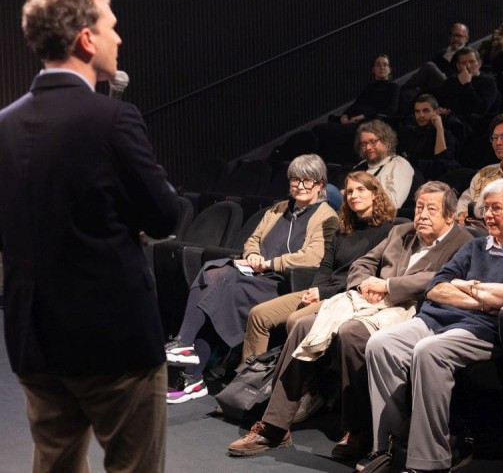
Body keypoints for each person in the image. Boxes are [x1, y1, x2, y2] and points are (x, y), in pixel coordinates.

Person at [0, 0, 180, 471]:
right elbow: (165, 216)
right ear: (86, 38)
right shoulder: (113, 120)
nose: (118, 38)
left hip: (34, 339)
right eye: (112, 27)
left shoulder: (5, 127)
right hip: (115, 342)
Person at [226, 182, 473, 460]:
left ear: (450, 216)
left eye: (431, 209)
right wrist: (365, 284)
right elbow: (363, 263)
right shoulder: (401, 232)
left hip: (414, 310)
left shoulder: (463, 243)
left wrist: (388, 286)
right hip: (370, 301)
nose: (422, 215)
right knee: (303, 325)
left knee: (351, 333)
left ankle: (357, 431)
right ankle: (274, 426)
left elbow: (439, 279)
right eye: (418, 208)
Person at [360, 178, 503, 473]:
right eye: (485, 207)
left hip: (483, 330)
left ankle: (430, 459)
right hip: (438, 318)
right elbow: (436, 288)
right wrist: (481, 296)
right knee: (381, 343)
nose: (486, 214)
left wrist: (466, 286)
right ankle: (388, 445)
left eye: (496, 208)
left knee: (429, 351)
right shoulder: (476, 246)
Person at [165, 154, 338, 404]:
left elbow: (312, 257)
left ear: (320, 185)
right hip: (254, 276)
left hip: (283, 283)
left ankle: (189, 365)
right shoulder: (278, 209)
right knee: (214, 275)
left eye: (307, 181)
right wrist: (254, 254)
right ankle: (188, 363)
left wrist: (269, 263)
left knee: (219, 279)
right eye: (294, 180)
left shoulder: (327, 217)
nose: (299, 186)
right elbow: (253, 239)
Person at [241, 171, 396, 362]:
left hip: (348, 295)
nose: (354, 196)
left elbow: (366, 277)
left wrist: (322, 293)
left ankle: (297, 384)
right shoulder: (344, 229)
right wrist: (315, 289)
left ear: (374, 193)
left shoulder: (389, 231)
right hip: (323, 289)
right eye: (349, 192)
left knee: (295, 320)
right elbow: (326, 266)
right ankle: (248, 379)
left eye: (360, 190)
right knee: (258, 315)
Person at [352, 119, 415, 208]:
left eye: (373, 142)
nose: (368, 147)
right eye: (364, 144)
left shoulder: (399, 165)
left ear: (387, 142)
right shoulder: (360, 166)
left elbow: (394, 203)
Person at [437, 47, 500, 131]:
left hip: (479, 123)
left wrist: (467, 84)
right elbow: (443, 101)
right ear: (458, 66)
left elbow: (481, 108)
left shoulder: (488, 81)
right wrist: (442, 109)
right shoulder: (451, 81)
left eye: (472, 62)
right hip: (454, 118)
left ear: (479, 63)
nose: (468, 66)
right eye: (464, 63)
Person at [401, 23, 470, 100]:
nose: (455, 38)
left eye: (459, 36)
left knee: (429, 66)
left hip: (452, 84)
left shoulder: (467, 54)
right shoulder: (442, 52)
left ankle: (402, 88)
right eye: (452, 35)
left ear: (466, 38)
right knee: (409, 93)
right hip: (436, 83)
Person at [399, 93, 460, 180]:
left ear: (435, 112)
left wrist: (439, 128)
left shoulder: (447, 135)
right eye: (417, 111)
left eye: (426, 111)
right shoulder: (409, 132)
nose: (421, 115)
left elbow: (442, 160)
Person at [339, 54, 400, 125]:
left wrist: (363, 116)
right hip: (354, 119)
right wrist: (345, 115)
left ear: (389, 69)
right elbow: (356, 104)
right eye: (378, 65)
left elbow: (391, 111)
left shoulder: (394, 87)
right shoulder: (369, 87)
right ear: (373, 70)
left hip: (370, 123)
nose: (382, 67)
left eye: (385, 65)